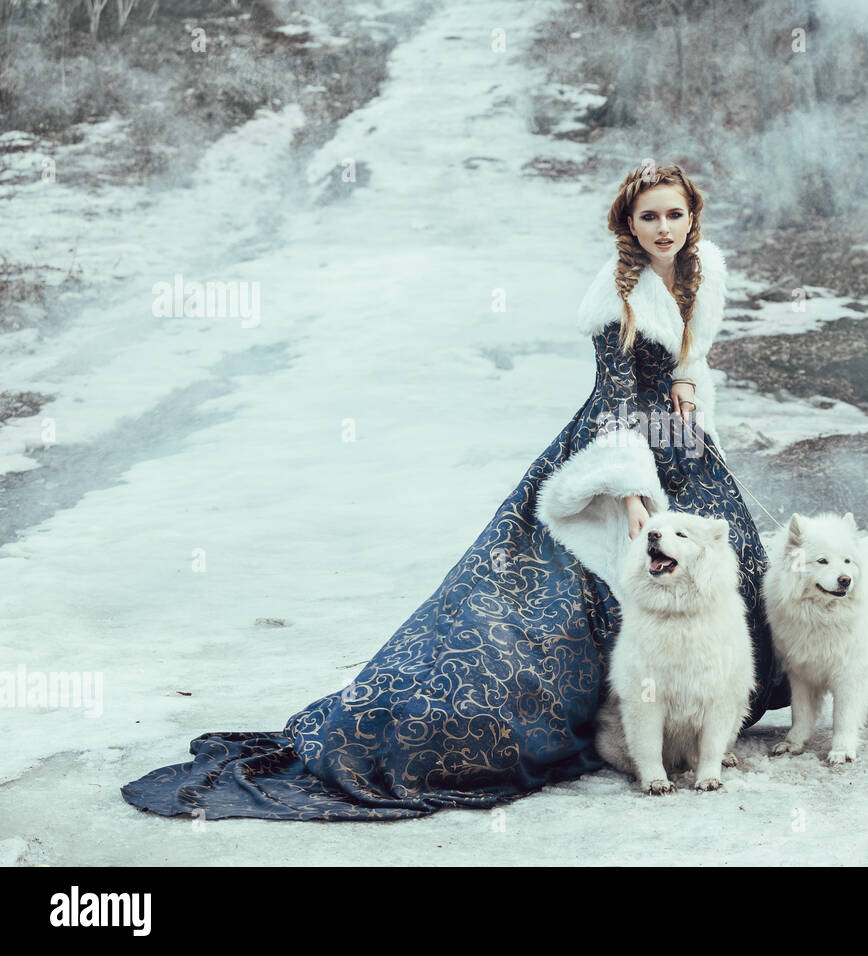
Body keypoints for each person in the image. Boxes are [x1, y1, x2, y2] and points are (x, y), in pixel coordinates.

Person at [120, 162, 790, 821]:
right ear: (629, 224)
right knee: (562, 600)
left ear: (692, 216)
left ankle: (709, 713)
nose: (664, 227)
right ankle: (594, 720)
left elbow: (693, 344)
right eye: (650, 216)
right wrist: (632, 495)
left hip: (680, 435)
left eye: (675, 214)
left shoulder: (705, 269)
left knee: (727, 577)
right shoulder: (614, 296)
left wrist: (686, 379)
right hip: (624, 446)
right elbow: (616, 402)